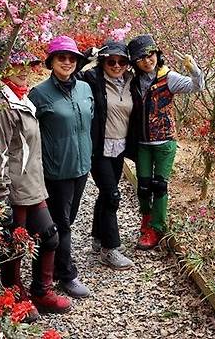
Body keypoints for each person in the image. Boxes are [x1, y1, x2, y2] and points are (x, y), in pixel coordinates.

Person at [0, 39, 71, 319]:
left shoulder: (21, 97)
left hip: (32, 187)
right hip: (12, 191)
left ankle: (40, 291)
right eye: (15, 64)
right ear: (1, 67)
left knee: (49, 238)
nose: (23, 69)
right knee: (15, 246)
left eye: (26, 64)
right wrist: (0, 201)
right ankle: (13, 296)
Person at [28, 35, 94, 299]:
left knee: (68, 219)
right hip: (55, 172)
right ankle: (67, 274)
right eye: (61, 58)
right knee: (62, 225)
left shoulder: (84, 89)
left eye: (71, 58)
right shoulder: (39, 94)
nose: (67, 62)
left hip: (81, 168)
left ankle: (53, 264)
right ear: (51, 61)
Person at [126, 34, 204, 249]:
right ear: (134, 61)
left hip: (164, 142)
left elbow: (196, 86)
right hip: (142, 143)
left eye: (150, 54)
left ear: (156, 54)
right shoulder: (132, 81)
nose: (147, 60)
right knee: (143, 187)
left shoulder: (167, 78)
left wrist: (194, 69)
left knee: (159, 186)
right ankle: (146, 223)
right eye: (140, 57)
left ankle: (157, 227)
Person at [79, 39, 135, 270]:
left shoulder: (130, 81)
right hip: (98, 148)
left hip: (119, 146)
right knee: (112, 195)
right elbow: (69, 74)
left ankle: (98, 237)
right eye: (110, 60)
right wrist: (86, 56)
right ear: (102, 61)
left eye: (121, 61)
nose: (116, 65)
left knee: (106, 193)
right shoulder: (92, 79)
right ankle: (110, 249)